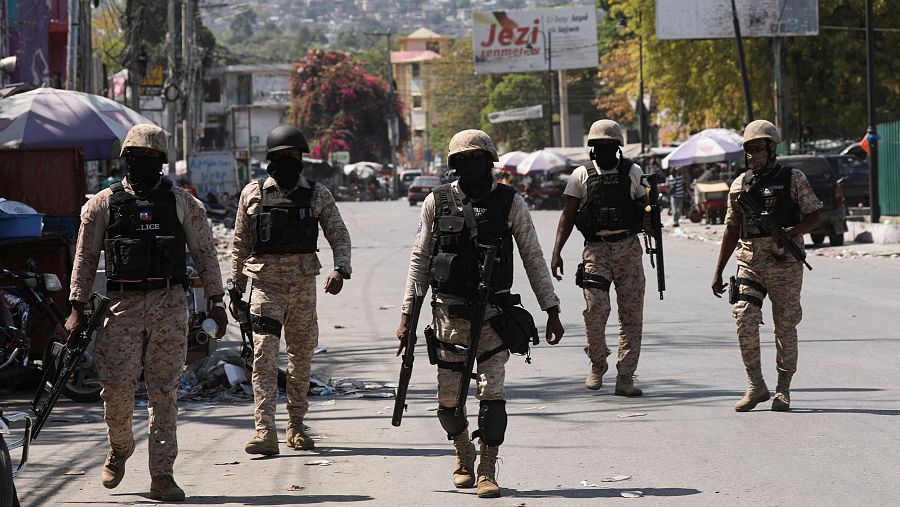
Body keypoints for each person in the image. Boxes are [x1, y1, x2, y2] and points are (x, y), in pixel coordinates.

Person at [396, 129, 564, 499]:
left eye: (478, 159)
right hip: (447, 316)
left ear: (490, 162)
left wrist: (551, 308)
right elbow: (420, 259)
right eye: (464, 160)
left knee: (492, 395)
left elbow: (533, 257)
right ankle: (462, 452)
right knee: (448, 402)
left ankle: (487, 465)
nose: (472, 167)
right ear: (454, 165)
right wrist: (408, 313)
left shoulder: (510, 202)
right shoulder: (436, 202)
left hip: (492, 316)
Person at [65, 124, 227, 501]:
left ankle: (162, 477)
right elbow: (86, 257)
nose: (143, 164)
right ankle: (120, 448)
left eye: (151, 159)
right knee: (117, 391)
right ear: (126, 160)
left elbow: (205, 254)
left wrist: (216, 303)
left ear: (162, 163)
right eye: (136, 158)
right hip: (120, 307)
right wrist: (76, 307)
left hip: (169, 304)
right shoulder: (103, 204)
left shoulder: (183, 204)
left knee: (164, 393)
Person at [230, 125, 352, 455]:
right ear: (270, 160)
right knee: (264, 357)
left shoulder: (317, 194)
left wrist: (341, 269)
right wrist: (234, 288)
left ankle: (296, 425)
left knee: (300, 359)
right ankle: (264, 430)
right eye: (282, 157)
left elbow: (339, 235)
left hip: (302, 289)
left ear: (302, 159)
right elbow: (240, 243)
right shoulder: (252, 194)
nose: (288, 162)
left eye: (294, 157)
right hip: (265, 288)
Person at [711, 120, 822, 412]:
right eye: (749, 149)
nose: (753, 155)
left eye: (758, 148)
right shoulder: (739, 185)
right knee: (744, 317)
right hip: (750, 262)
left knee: (785, 326)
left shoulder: (793, 178)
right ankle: (755, 385)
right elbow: (731, 229)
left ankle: (783, 389)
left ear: (772, 149)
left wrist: (795, 230)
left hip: (785, 263)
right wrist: (718, 271)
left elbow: (815, 215)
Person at [550, 119, 650, 397]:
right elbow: (568, 215)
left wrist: (650, 212)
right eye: (599, 146)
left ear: (617, 148)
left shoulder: (633, 172)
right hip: (596, 249)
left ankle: (626, 376)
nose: (604, 150)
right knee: (596, 310)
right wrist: (557, 252)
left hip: (628, 248)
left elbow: (648, 207)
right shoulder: (580, 176)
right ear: (592, 149)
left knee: (631, 315)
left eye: (609, 145)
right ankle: (598, 362)